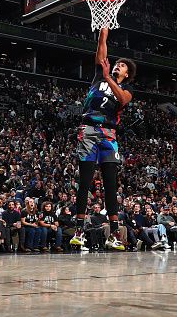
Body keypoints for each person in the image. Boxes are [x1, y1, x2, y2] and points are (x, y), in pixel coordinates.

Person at [70, 28, 136, 252]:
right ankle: (79, 231)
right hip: (88, 129)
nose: (118, 65)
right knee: (85, 181)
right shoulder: (100, 75)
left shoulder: (126, 89)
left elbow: (122, 100)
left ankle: (115, 234)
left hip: (109, 135)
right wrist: (104, 30)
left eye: (123, 65)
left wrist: (109, 76)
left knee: (110, 185)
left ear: (127, 74)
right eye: (117, 63)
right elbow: (101, 50)